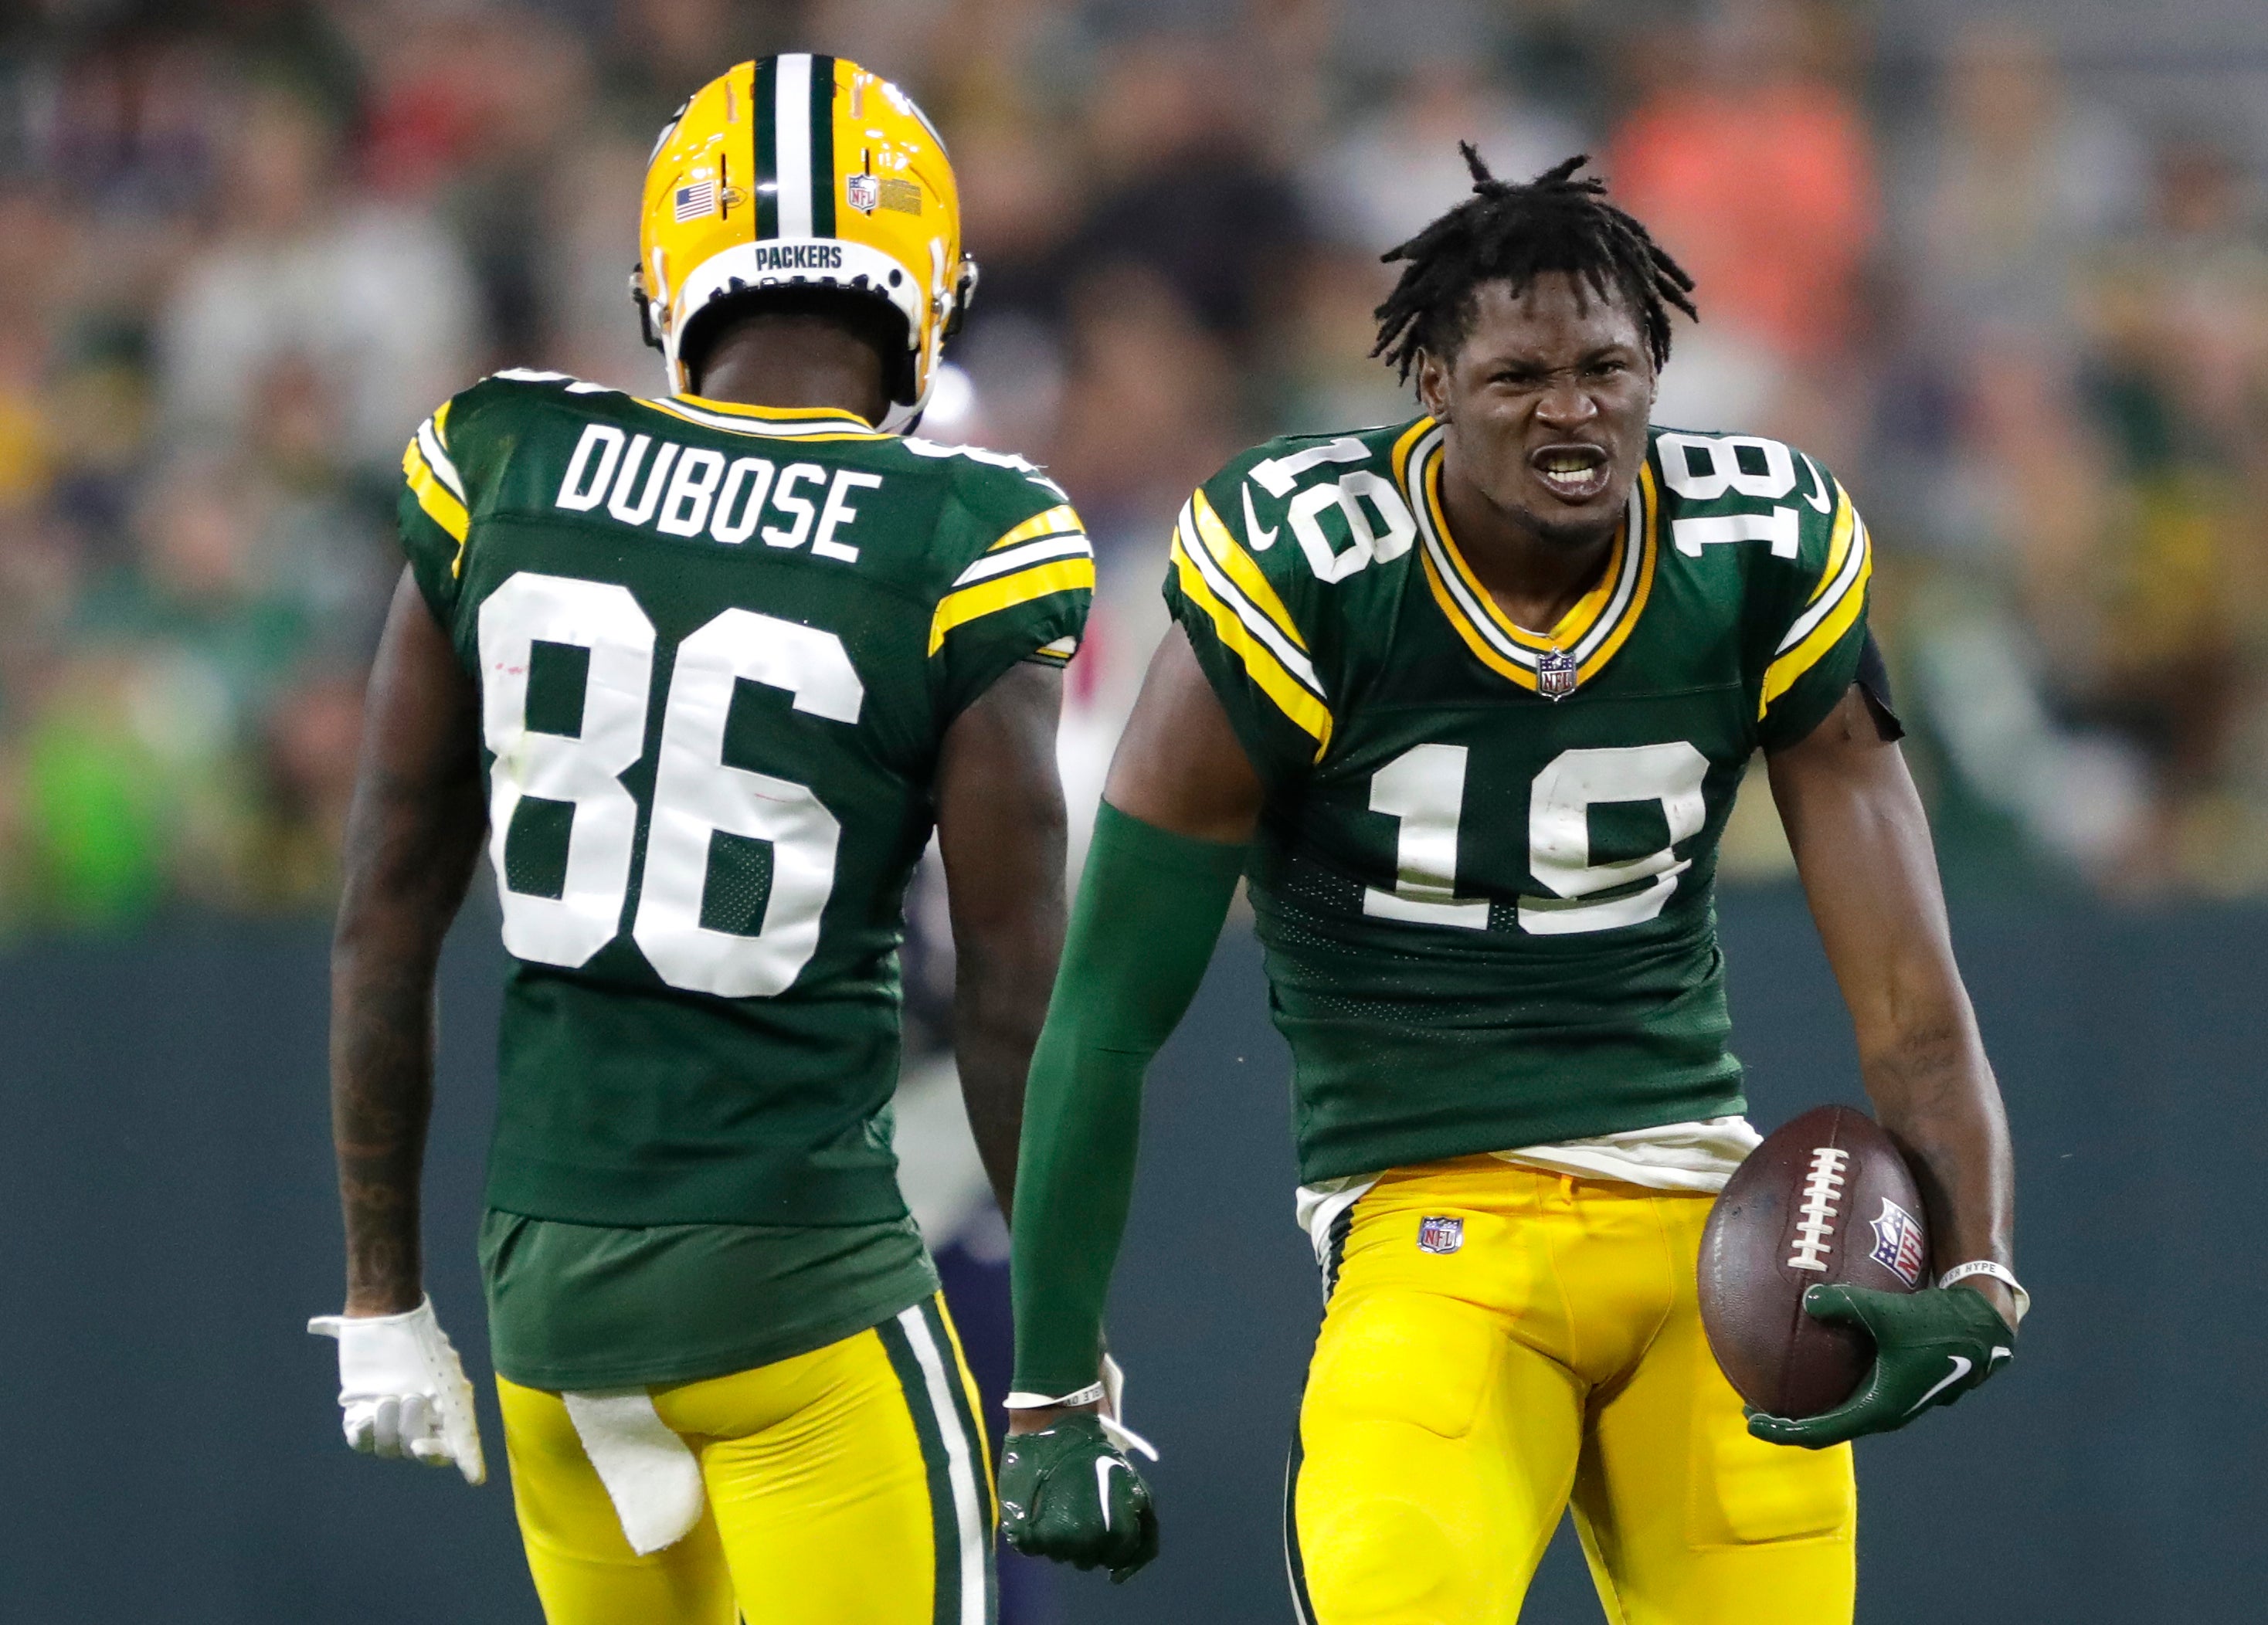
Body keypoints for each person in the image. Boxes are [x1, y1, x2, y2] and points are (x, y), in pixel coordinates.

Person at [998, 151, 2025, 1623]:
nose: (1571, 409)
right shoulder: (1315, 568)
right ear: (1431, 382)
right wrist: (1050, 1391)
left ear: (1656, 367)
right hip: (1435, 1223)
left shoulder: (1753, 550)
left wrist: (1979, 1271)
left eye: (1606, 368)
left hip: (1706, 1234)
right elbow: (1102, 1014)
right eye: (1520, 375)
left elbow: (1913, 996)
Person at [308, 55, 1092, 1625]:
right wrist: (1064, 1363)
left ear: (668, 273)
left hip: (547, 1311)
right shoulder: (967, 533)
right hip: (801, 1285)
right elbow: (1016, 997)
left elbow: (385, 909)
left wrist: (383, 1296)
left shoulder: (503, 460)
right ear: (927, 286)